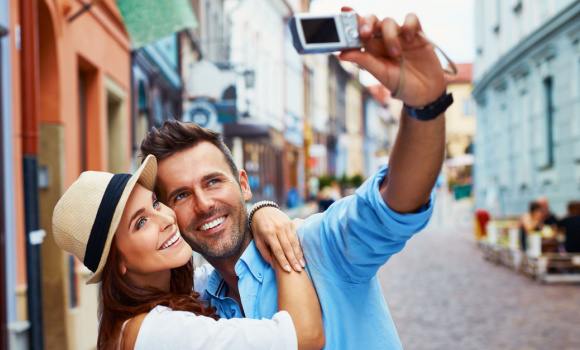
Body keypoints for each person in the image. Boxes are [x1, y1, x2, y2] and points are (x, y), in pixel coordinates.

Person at [139, 7, 448, 348]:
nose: (204, 204)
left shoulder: (319, 248)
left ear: (244, 184)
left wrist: (424, 108)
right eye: (181, 195)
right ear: (168, 211)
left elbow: (392, 207)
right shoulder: (198, 309)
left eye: (213, 182)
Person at [51, 155, 324, 350]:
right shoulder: (157, 333)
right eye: (141, 222)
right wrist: (283, 239)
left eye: (156, 204)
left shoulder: (137, 311)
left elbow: (219, 269)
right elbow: (304, 336)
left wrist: (261, 211)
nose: (167, 220)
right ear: (118, 261)